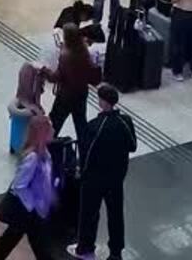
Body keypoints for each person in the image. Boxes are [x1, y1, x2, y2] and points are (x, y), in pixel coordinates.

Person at [67, 83, 136, 260]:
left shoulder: (95, 126)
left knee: (89, 213)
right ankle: (115, 252)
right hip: (116, 177)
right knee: (115, 214)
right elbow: (132, 146)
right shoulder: (125, 121)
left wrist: (82, 172)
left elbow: (87, 155)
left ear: (103, 102)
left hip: (94, 179)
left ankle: (85, 248)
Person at [0, 114, 56, 260]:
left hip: (31, 211)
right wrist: (33, 205)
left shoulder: (45, 154)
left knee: (13, 239)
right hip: (28, 210)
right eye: (50, 128)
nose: (53, 130)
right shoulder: (33, 158)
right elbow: (19, 185)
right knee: (37, 245)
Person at [43, 23, 101, 144]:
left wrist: (45, 70)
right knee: (80, 124)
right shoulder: (84, 51)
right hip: (81, 93)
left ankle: (47, 148)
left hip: (65, 96)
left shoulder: (66, 55)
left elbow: (56, 77)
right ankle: (85, 151)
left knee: (55, 122)